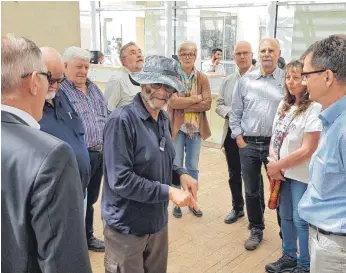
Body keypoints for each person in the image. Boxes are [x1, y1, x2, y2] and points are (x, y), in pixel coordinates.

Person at [1, 34, 92, 273]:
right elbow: (64, 263)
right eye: (47, 77)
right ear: (33, 82)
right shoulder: (51, 156)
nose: (54, 86)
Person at [102, 55, 199, 273]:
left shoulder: (162, 118)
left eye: (169, 87)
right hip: (127, 227)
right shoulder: (122, 121)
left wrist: (181, 174)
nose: (163, 93)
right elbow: (121, 180)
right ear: (143, 83)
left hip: (156, 224)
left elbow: (164, 159)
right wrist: (169, 192)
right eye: (157, 84)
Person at [264, 60, 322, 273]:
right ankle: (288, 256)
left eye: (296, 77)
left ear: (305, 80)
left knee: (300, 220)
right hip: (281, 173)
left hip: (300, 175)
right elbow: (275, 138)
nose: (290, 81)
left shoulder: (314, 108)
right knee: (285, 217)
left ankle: (304, 265)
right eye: (287, 77)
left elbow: (308, 149)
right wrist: (274, 165)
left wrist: (279, 164)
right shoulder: (284, 105)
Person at [230, 37, 285, 250]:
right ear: (258, 54)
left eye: (271, 50)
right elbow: (236, 112)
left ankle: (285, 231)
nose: (266, 54)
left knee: (280, 190)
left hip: (275, 146)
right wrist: (239, 138)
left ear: (279, 53)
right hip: (249, 145)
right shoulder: (246, 80)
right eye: (263, 50)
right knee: (252, 190)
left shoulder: (286, 80)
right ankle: (256, 228)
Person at [298, 34, 346, 273]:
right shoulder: (332, 119)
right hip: (327, 241)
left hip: (338, 248)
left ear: (327, 76)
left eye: (306, 74)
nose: (302, 82)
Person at [60, 46, 109, 252]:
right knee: (76, 200)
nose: (83, 71)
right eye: (78, 67)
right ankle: (73, 242)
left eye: (86, 67)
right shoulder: (60, 92)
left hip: (99, 154)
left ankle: (87, 237)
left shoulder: (94, 88)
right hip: (78, 155)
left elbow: (106, 113)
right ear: (65, 66)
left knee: (91, 198)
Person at [39, 47, 90, 196]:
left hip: (80, 189)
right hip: (57, 196)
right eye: (50, 79)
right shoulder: (32, 108)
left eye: (59, 80)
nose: (55, 85)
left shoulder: (61, 95)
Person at [168, 41, 212, 218]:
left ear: (195, 56)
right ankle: (178, 202)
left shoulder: (202, 78)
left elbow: (207, 103)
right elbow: (172, 102)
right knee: (177, 165)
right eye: (184, 54)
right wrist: (196, 99)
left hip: (195, 128)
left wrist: (184, 104)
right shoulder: (173, 77)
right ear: (179, 56)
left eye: (191, 54)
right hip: (178, 129)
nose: (187, 57)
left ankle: (193, 202)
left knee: (192, 167)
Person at [216, 41, 255, 224]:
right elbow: (219, 105)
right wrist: (231, 112)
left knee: (252, 177)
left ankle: (256, 216)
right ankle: (237, 208)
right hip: (231, 134)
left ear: (251, 55)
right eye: (238, 53)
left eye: (245, 53)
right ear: (234, 57)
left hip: (253, 136)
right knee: (234, 174)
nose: (242, 56)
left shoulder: (259, 79)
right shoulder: (228, 81)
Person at [104, 42, 144, 110]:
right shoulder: (117, 80)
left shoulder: (147, 79)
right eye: (133, 53)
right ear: (123, 61)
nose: (139, 55)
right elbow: (106, 111)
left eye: (140, 52)